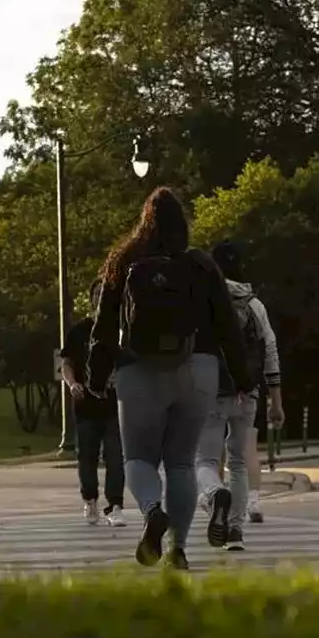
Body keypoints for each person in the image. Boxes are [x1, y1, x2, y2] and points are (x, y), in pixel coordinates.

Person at [87, 187, 254, 571]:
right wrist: (243, 377)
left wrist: (97, 375)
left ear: (144, 222)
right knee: (180, 462)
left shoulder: (124, 261)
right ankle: (178, 549)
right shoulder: (202, 265)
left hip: (137, 368)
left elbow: (103, 324)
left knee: (139, 459)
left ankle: (151, 512)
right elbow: (227, 324)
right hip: (198, 369)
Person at [197, 241, 284, 541]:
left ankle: (213, 493)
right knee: (238, 462)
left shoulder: (204, 301)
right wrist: (276, 399)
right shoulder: (254, 304)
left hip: (211, 390)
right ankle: (235, 529)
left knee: (205, 460)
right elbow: (269, 349)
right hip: (247, 391)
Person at [60, 279, 126, 527]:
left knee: (115, 457)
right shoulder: (79, 331)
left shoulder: (120, 331)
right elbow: (66, 363)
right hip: (86, 405)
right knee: (86, 457)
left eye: (104, 294)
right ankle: (90, 500)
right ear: (91, 299)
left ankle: (115, 505)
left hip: (114, 406)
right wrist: (72, 384)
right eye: (96, 293)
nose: (100, 298)